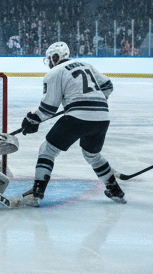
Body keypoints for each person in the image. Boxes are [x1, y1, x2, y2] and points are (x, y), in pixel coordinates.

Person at [16, 41, 124, 206]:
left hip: (78, 117)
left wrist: (32, 119)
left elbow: (48, 109)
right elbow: (108, 86)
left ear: (55, 57)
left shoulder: (54, 73)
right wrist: (96, 101)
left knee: (48, 149)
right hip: (102, 117)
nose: (49, 62)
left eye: (50, 59)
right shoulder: (86, 65)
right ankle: (115, 190)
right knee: (92, 155)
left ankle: (36, 193)